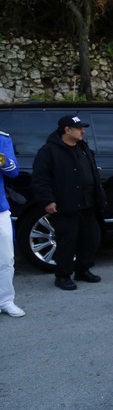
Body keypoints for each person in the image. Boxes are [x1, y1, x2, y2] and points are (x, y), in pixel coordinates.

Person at [32, 115, 105, 290]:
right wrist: (48, 200)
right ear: (67, 130)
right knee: (67, 242)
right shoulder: (49, 151)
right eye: (79, 128)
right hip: (66, 205)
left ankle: (82, 270)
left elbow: (93, 173)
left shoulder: (84, 148)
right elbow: (40, 178)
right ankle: (63, 276)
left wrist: (99, 196)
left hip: (88, 204)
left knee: (90, 239)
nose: (83, 131)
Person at [0, 131, 24, 317]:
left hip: (0, 209)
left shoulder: (2, 138)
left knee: (6, 258)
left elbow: (13, 172)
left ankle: (6, 301)